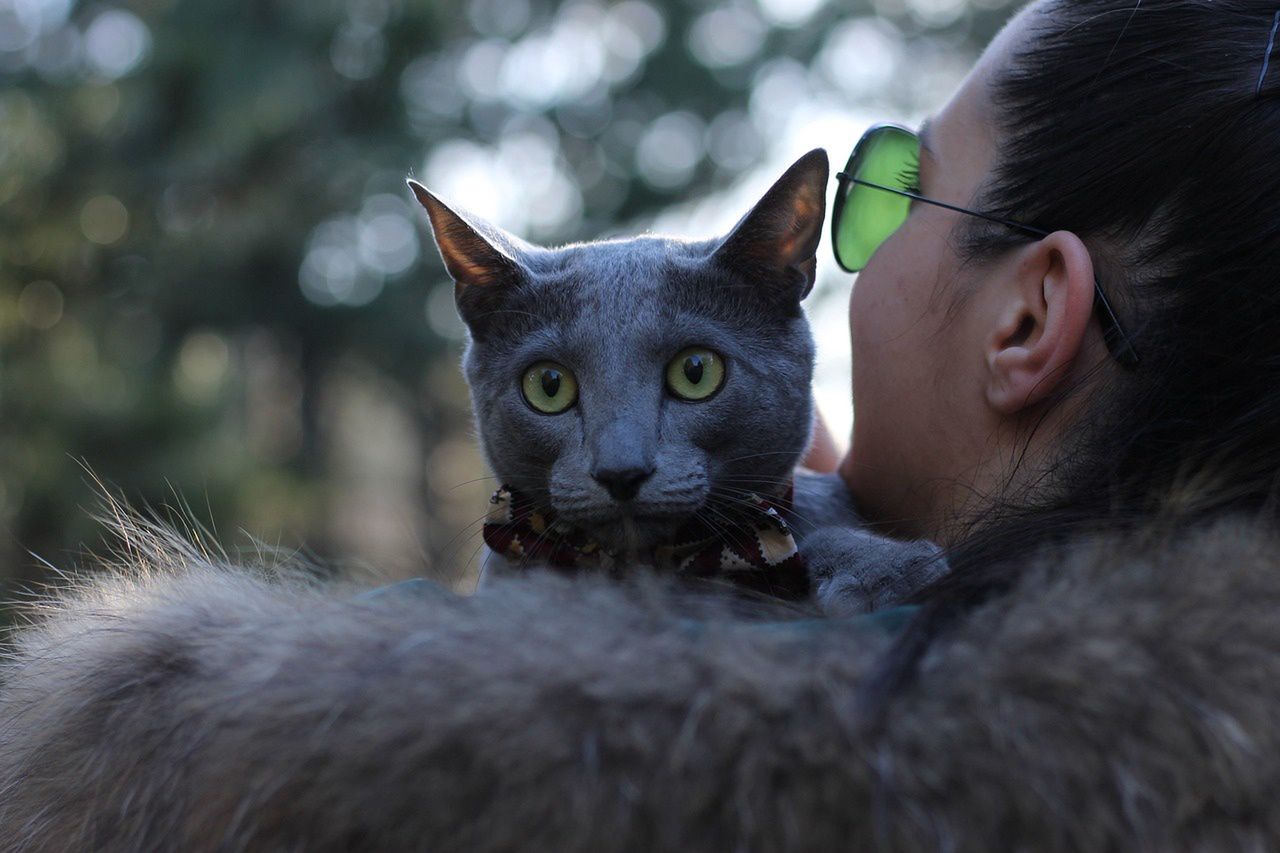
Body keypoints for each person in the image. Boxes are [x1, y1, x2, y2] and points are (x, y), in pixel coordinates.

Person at [4, 0, 1280, 848]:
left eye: (899, 189)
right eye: (556, 391)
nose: (617, 457)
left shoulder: (255, 763)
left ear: (1025, 319)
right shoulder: (1213, 767)